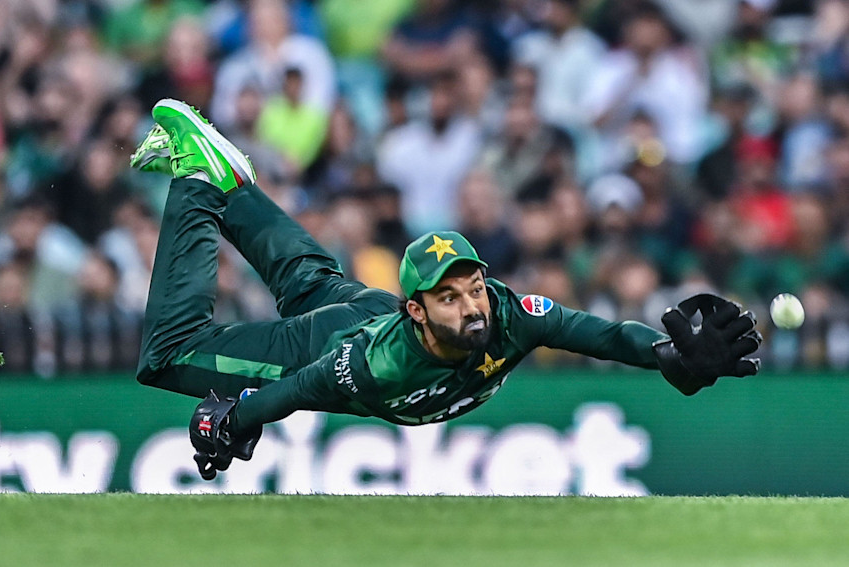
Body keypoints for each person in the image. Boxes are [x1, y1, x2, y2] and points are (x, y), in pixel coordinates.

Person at [131, 99, 763, 480]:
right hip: (334, 343)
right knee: (172, 353)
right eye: (449, 298)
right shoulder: (379, 362)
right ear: (419, 311)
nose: (472, 307)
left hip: (369, 313)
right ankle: (199, 179)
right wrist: (235, 418)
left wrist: (664, 356)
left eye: (473, 288)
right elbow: (298, 388)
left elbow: (597, 332)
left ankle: (230, 185)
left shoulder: (511, 315)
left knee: (311, 283)